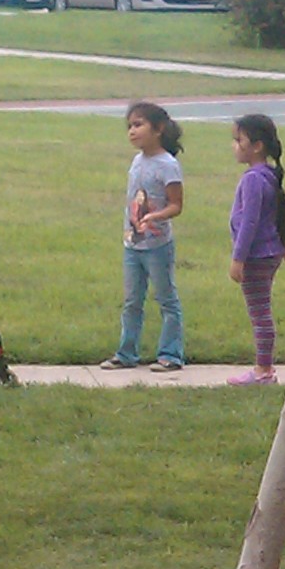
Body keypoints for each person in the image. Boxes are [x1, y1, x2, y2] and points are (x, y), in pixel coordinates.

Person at [106, 100, 187, 373]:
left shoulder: (168, 165)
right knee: (132, 301)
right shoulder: (137, 161)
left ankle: (171, 354)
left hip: (157, 245)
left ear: (158, 128)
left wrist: (156, 216)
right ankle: (126, 353)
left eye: (138, 125)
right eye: (129, 126)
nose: (132, 131)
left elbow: (176, 205)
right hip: (133, 244)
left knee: (166, 299)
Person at [223, 113, 285, 386]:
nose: (234, 146)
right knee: (261, 310)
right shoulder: (266, 175)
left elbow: (250, 221)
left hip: (257, 256)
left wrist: (238, 258)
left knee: (260, 313)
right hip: (267, 253)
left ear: (257, 146)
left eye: (238, 140)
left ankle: (263, 371)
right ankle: (262, 368)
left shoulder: (253, 179)